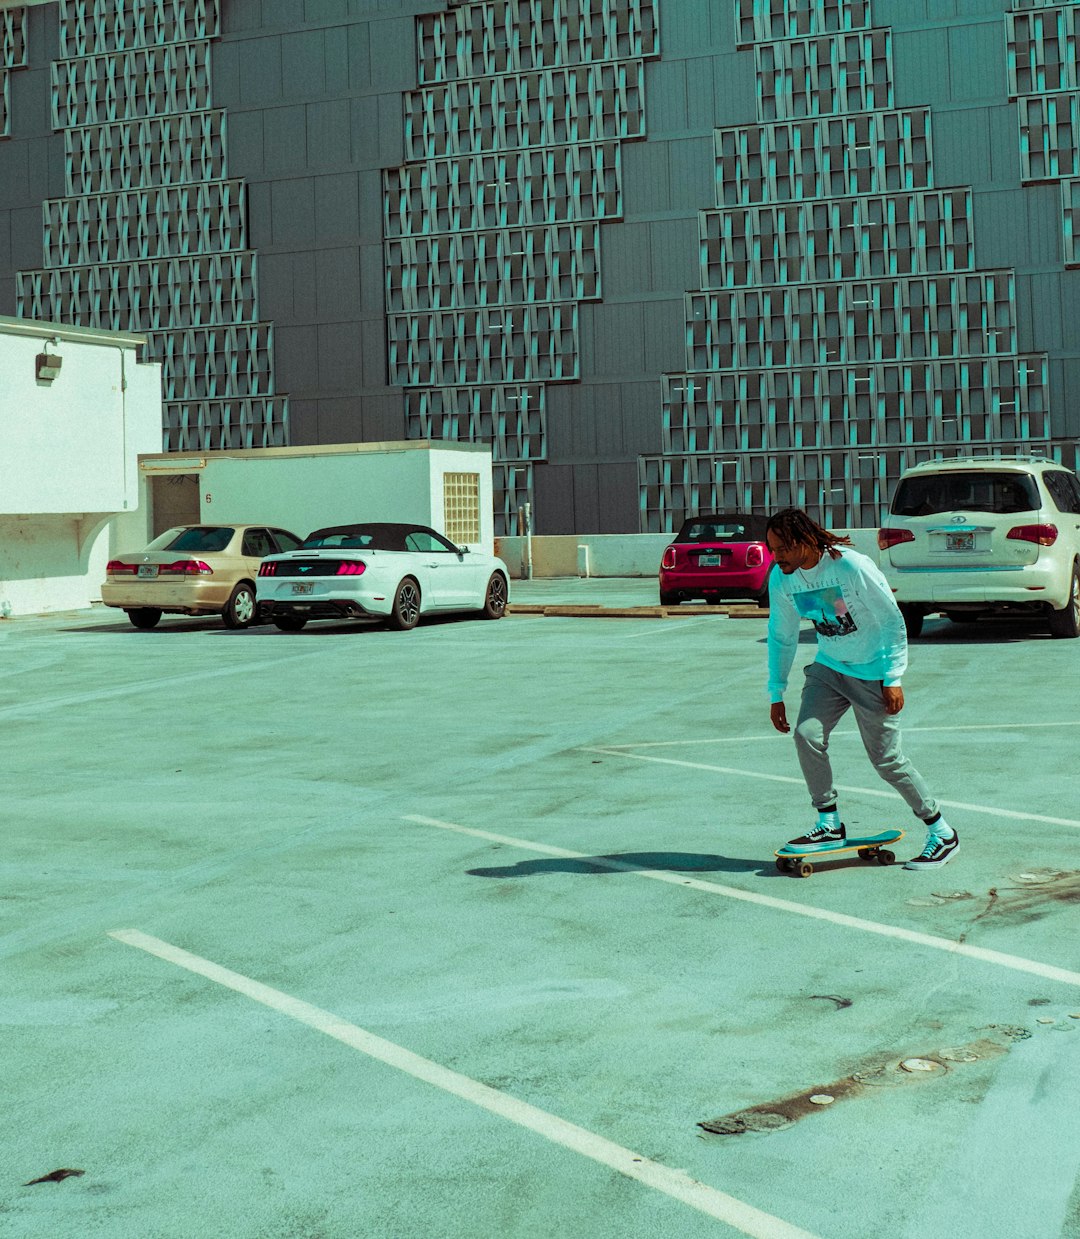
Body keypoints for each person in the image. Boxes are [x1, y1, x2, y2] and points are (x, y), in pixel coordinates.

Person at [764, 507, 958, 870]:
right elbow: (781, 634)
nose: (777, 557)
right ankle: (828, 823)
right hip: (830, 668)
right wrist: (777, 691)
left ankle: (941, 831)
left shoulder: (850, 567)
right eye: (773, 550)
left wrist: (893, 676)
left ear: (804, 541)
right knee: (807, 735)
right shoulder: (783, 578)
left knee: (887, 761)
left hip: (872, 672)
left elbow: (890, 618)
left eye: (783, 549)